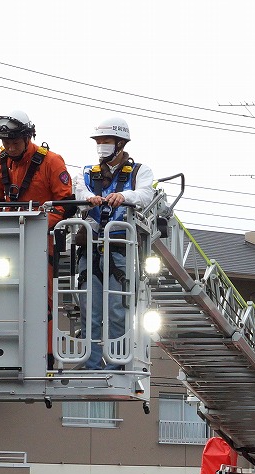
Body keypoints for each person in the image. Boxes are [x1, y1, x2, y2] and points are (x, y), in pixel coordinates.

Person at [72, 116, 157, 370]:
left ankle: (116, 363)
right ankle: (92, 363)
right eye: (99, 142)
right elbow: (79, 192)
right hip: (91, 247)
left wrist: (123, 195)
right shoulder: (88, 172)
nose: (101, 146)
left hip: (120, 248)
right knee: (90, 311)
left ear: (120, 143)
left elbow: (145, 194)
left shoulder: (141, 171)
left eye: (106, 141)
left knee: (118, 311)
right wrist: (91, 199)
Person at [0, 110, 73, 230]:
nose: (11, 148)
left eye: (16, 143)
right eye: (6, 143)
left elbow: (65, 204)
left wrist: (36, 226)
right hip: (8, 233)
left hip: (43, 233)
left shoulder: (52, 161)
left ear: (28, 138)